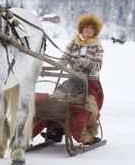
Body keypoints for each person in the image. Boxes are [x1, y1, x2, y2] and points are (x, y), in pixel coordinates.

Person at [43, 12, 104, 145]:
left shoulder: (97, 47)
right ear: (81, 29)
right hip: (72, 80)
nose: (87, 30)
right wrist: (58, 64)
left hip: (89, 82)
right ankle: (56, 129)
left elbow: (97, 66)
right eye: (85, 28)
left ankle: (87, 133)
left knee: (86, 105)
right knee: (57, 99)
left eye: (91, 28)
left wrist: (84, 62)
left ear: (95, 31)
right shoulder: (74, 43)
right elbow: (65, 58)